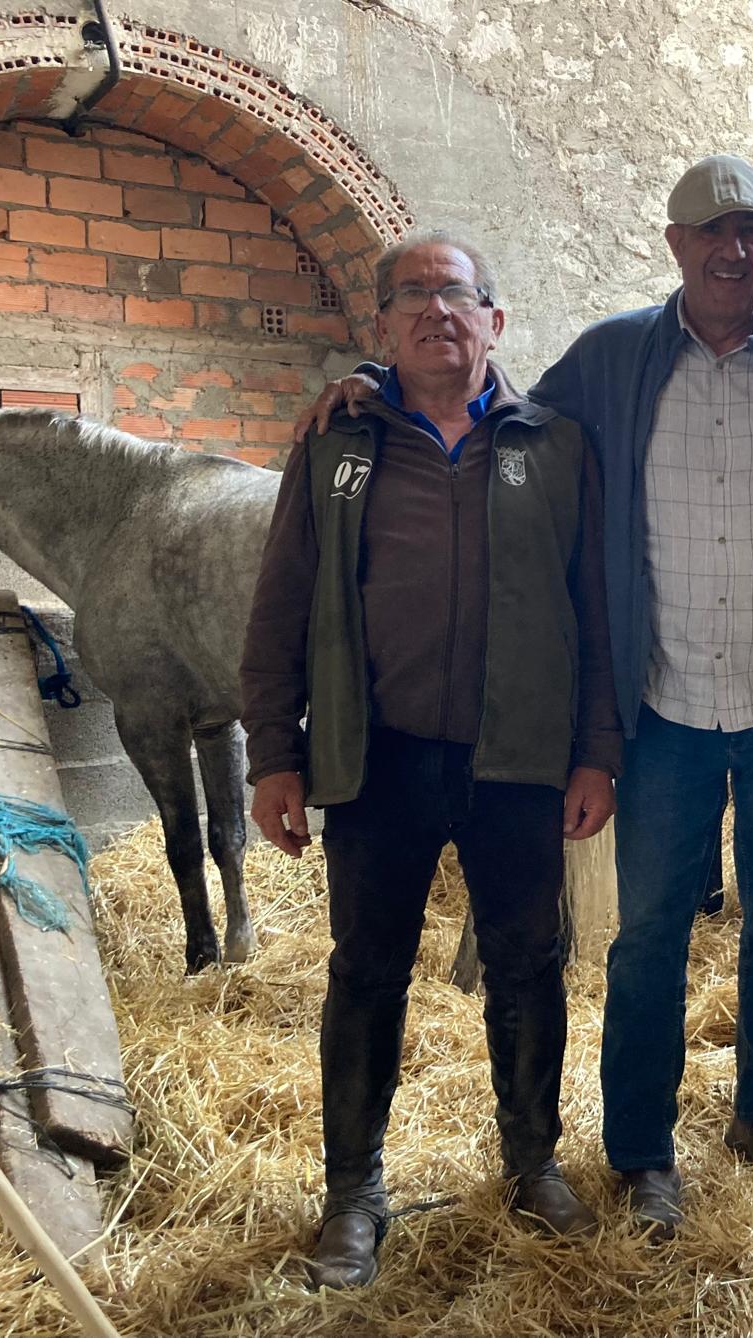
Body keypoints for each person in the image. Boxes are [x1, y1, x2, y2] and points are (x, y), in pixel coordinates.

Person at [302, 155, 753, 1240]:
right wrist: (375, 390)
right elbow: (489, 403)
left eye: (751, 229)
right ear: (673, 245)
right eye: (709, 231)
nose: (730, 249)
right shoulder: (614, 356)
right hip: (660, 706)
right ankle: (641, 1152)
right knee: (647, 934)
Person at [240, 232, 621, 1290]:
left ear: (495, 321)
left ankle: (531, 1162)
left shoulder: (554, 447)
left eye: (456, 295)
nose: (434, 311)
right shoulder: (336, 446)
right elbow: (279, 606)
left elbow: (593, 610)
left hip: (518, 757)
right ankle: (353, 1193)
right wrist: (276, 754)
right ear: (380, 330)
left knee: (527, 962)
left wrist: (594, 751)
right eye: (409, 297)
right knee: (366, 971)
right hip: (378, 755)